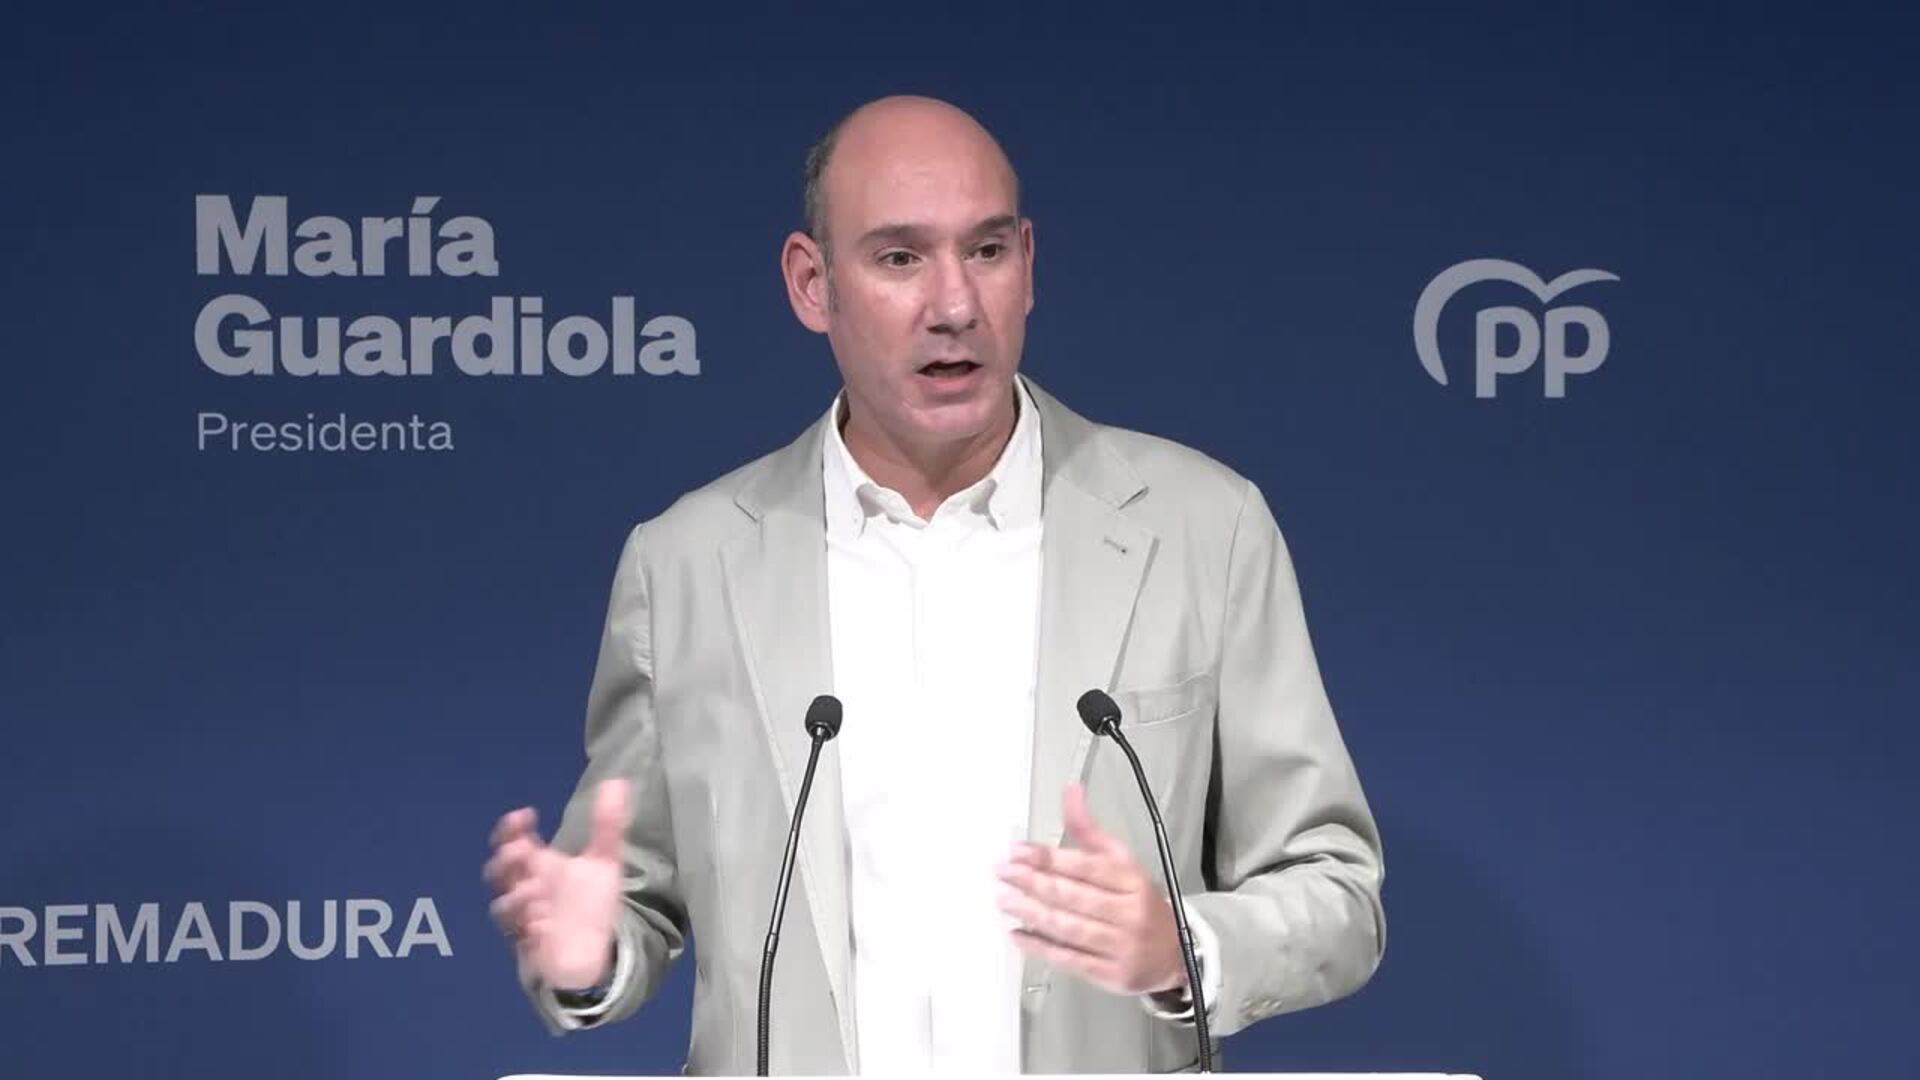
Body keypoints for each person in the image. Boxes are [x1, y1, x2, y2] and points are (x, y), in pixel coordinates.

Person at [484, 95, 1384, 1075]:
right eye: (900, 258)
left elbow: (1334, 889)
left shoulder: (1201, 529)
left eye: (987, 251)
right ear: (813, 284)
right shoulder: (686, 566)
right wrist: (591, 957)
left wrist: (1186, 947)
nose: (954, 305)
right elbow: (631, 894)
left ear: (1028, 265)